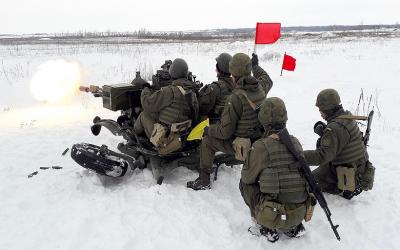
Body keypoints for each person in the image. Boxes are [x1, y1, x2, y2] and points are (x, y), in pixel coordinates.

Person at [187, 53, 273, 190]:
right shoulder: (261, 88)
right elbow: (267, 79)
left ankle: (204, 180)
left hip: (243, 146)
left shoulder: (235, 98)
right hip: (259, 142)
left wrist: (207, 130)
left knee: (207, 140)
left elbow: (224, 132)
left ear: (232, 73)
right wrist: (256, 66)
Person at [240, 97, 311, 242]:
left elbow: (247, 178)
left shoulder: (261, 146)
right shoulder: (295, 142)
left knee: (245, 184)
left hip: (275, 215)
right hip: (300, 212)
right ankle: (293, 227)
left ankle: (266, 226)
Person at [304, 89, 375, 199]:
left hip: (347, 174)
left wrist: (299, 155)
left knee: (305, 183)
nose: (320, 112)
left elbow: (322, 156)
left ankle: (341, 187)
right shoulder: (347, 116)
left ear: (327, 109)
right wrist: (325, 134)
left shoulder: (334, 129)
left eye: (321, 109)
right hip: (359, 166)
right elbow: (343, 139)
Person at [134, 58, 199, 154]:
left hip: (164, 139)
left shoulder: (169, 91)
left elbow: (147, 104)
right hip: (180, 138)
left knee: (144, 114)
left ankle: (135, 137)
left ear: (172, 72)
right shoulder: (192, 93)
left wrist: (145, 89)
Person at [198, 53, 234, 122]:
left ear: (219, 69)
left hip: (216, 126)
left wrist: (200, 96)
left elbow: (203, 109)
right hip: (229, 123)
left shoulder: (215, 87)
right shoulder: (236, 84)